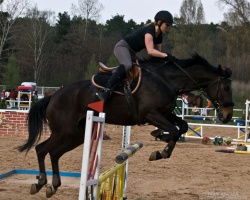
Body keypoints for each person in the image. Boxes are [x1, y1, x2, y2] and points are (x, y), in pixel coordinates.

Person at [96, 10, 176, 102]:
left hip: (132, 53)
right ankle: (106, 90)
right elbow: (150, 51)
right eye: (167, 25)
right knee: (127, 64)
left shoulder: (159, 36)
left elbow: (157, 55)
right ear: (159, 22)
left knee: (143, 68)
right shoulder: (149, 31)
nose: (168, 27)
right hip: (122, 47)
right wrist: (166, 55)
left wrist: (167, 60)